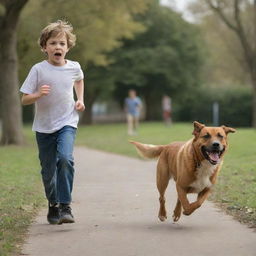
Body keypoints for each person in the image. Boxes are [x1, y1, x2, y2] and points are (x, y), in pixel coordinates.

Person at [20, 20, 85, 225]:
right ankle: (53, 204)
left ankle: (65, 206)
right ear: (44, 47)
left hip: (67, 122)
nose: (58, 47)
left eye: (62, 43)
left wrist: (80, 98)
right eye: (53, 43)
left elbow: (79, 79)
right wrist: (38, 94)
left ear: (68, 47)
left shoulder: (74, 67)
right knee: (48, 171)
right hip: (44, 127)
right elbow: (24, 99)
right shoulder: (38, 70)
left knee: (65, 159)